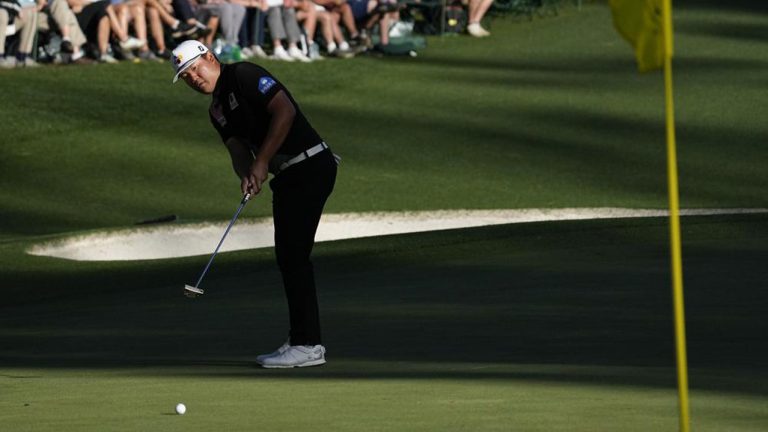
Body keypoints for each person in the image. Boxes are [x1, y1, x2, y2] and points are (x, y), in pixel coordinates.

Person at [171, 40, 338, 368]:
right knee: (289, 257)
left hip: (311, 164)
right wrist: (247, 173)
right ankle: (302, 338)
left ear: (210, 57)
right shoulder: (216, 111)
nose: (193, 78)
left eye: (194, 68)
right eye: (185, 76)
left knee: (293, 257)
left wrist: (262, 162)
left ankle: (308, 344)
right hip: (289, 175)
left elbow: (285, 110)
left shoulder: (244, 74)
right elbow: (237, 151)